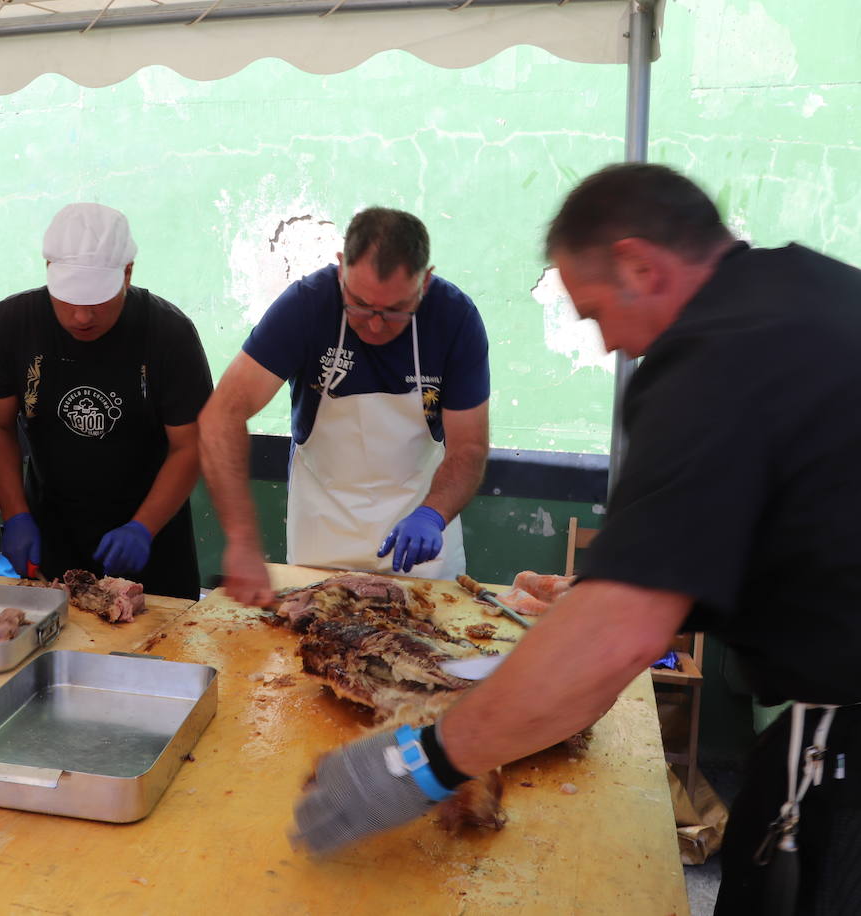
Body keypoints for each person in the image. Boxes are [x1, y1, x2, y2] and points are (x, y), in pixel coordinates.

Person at [291, 163, 861, 916]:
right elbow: (806, 534)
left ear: (639, 265)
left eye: (593, 312)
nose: (605, 344)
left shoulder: (711, 359)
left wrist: (422, 762)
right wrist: (610, 591)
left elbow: (615, 642)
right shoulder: (813, 295)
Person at [199, 207, 490, 605]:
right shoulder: (306, 306)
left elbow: (469, 447)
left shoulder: (455, 319)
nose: (373, 325)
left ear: (425, 281)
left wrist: (433, 515)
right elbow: (221, 415)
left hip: (420, 543)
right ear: (341, 269)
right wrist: (242, 540)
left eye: (393, 311)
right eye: (359, 304)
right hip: (322, 535)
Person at [0, 203, 212, 600]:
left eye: (97, 300)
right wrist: (15, 514)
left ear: (127, 272)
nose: (81, 316)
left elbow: (190, 445)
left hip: (152, 537)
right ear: (48, 267)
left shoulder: (169, 333)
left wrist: (144, 527)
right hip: (51, 527)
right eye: (67, 298)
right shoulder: (14, 321)